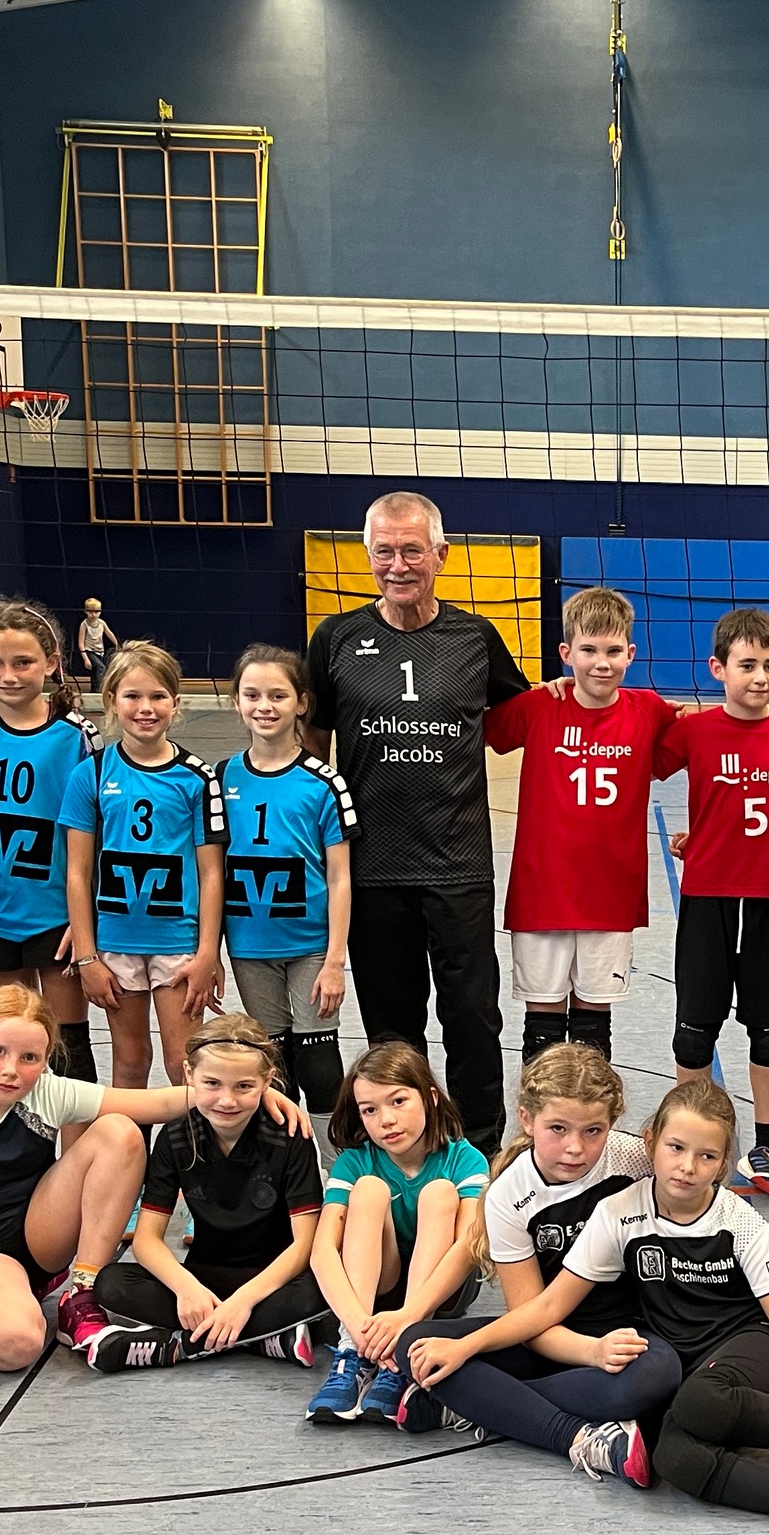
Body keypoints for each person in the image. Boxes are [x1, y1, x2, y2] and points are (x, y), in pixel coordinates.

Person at [462, 1079, 769, 1535]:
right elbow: (548, 1308)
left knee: (702, 1399)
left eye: (706, 1156)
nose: (687, 1167)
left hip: (751, 1345)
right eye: (676, 1148)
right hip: (686, 1365)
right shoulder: (618, 1213)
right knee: (675, 1459)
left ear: (723, 1164)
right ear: (650, 1144)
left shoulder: (739, 1221)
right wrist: (468, 1345)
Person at [0, 984, 299, 1365]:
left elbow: (155, 1104)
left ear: (45, 1060)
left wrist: (247, 1090)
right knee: (15, 1345)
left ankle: (81, 1291)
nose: (11, 1070)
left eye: (29, 1058)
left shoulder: (46, 1091)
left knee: (119, 1132)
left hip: (38, 1235)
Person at [303, 491, 530, 1146]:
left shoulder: (475, 638)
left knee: (472, 1017)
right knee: (391, 1028)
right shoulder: (335, 638)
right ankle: (404, 1142)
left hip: (457, 865)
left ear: (441, 554)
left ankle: (480, 1145)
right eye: (384, 551)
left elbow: (523, 721)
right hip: (371, 867)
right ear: (367, 554)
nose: (397, 565)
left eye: (411, 550)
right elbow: (313, 744)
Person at [394, 1043, 680, 1475]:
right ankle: (578, 1438)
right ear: (527, 1119)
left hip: (629, 1335)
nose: (575, 1148)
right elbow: (531, 1319)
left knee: (656, 1378)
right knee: (415, 1344)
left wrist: (603, 1350)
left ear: (612, 1123)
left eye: (593, 1131)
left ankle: (480, 1403)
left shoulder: (637, 1161)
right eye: (558, 1129)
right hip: (545, 1334)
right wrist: (589, 1352)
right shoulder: (509, 1193)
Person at [657, 607, 769, 1198]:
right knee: (694, 1031)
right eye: (747, 665)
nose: (760, 676)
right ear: (717, 668)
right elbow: (635, 756)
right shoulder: (696, 730)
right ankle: (688, 1140)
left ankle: (768, 1145)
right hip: (707, 898)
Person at [486, 584, 677, 1065]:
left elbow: (709, 739)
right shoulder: (538, 707)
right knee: (543, 1031)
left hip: (610, 896)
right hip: (542, 893)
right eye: (588, 650)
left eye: (613, 651)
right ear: (566, 653)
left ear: (630, 653)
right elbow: (476, 727)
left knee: (593, 1032)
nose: (601, 663)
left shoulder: (649, 710)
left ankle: (592, 1111)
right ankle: (539, 1111)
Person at [88, 1014, 331, 1371]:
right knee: (111, 1283)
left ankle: (178, 1346)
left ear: (267, 1081)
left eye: (244, 1086)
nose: (227, 1100)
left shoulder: (289, 1137)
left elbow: (304, 1244)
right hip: (204, 1277)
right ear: (189, 1075)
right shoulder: (175, 1137)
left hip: (274, 1280)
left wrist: (244, 1302)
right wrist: (186, 1288)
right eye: (212, 1084)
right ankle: (264, 1338)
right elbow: (147, 1240)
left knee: (323, 1288)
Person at [0, 596, 101, 1084]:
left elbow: (93, 838)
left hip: (55, 916)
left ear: (51, 663)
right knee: (11, 1042)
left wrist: (85, 920)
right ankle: (19, 1134)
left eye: (23, 662)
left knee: (67, 1044)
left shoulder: (76, 736)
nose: (7, 675)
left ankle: (75, 1134)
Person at [61, 640, 227, 1089]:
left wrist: (207, 953)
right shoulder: (91, 774)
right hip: (115, 940)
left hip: (178, 941)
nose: (145, 708)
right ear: (111, 700)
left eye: (157, 696)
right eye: (132, 695)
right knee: (130, 1061)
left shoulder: (198, 777)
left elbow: (212, 873)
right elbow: (77, 872)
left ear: (177, 703)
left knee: (183, 1063)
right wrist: (87, 956)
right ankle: (129, 1138)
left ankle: (187, 1139)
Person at [307, 1042, 490, 1424]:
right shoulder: (354, 1161)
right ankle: (354, 1355)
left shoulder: (465, 1158)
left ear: (431, 1098)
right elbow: (322, 1251)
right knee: (369, 1189)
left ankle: (407, 1347)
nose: (386, 1120)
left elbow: (468, 1247)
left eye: (398, 1101)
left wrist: (407, 1318)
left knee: (439, 1192)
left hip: (441, 1293)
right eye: (370, 1110)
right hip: (379, 1291)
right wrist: (357, 1328)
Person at [218, 644, 352, 1115]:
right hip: (249, 946)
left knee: (318, 1060)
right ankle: (283, 1156)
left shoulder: (323, 782)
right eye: (252, 695)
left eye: (278, 695)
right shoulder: (221, 778)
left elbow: (340, 876)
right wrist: (209, 952)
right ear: (237, 702)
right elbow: (209, 871)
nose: (264, 706)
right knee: (272, 1065)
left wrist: (335, 960)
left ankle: (336, 1156)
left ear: (301, 703)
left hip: (311, 946)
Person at [75, 596, 117, 696]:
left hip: (100, 651)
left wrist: (117, 644)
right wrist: (86, 659)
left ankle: (93, 691)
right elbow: (81, 643)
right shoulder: (84, 624)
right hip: (89, 650)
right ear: (86, 611)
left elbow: (109, 634)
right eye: (90, 611)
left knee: (95, 673)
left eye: (96, 611)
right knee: (101, 667)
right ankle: (99, 691)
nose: (93, 614)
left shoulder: (101, 623)